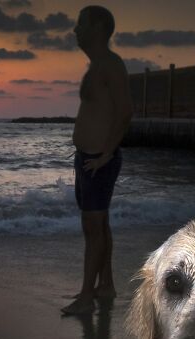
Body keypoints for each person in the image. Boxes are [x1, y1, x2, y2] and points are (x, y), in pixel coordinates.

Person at [61, 5, 133, 315]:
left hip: (98, 160)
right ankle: (106, 285)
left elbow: (125, 111)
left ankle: (86, 297)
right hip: (88, 158)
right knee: (99, 224)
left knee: (93, 227)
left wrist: (105, 154)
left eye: (81, 25)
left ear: (99, 28)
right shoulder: (97, 66)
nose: (75, 30)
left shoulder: (111, 65)